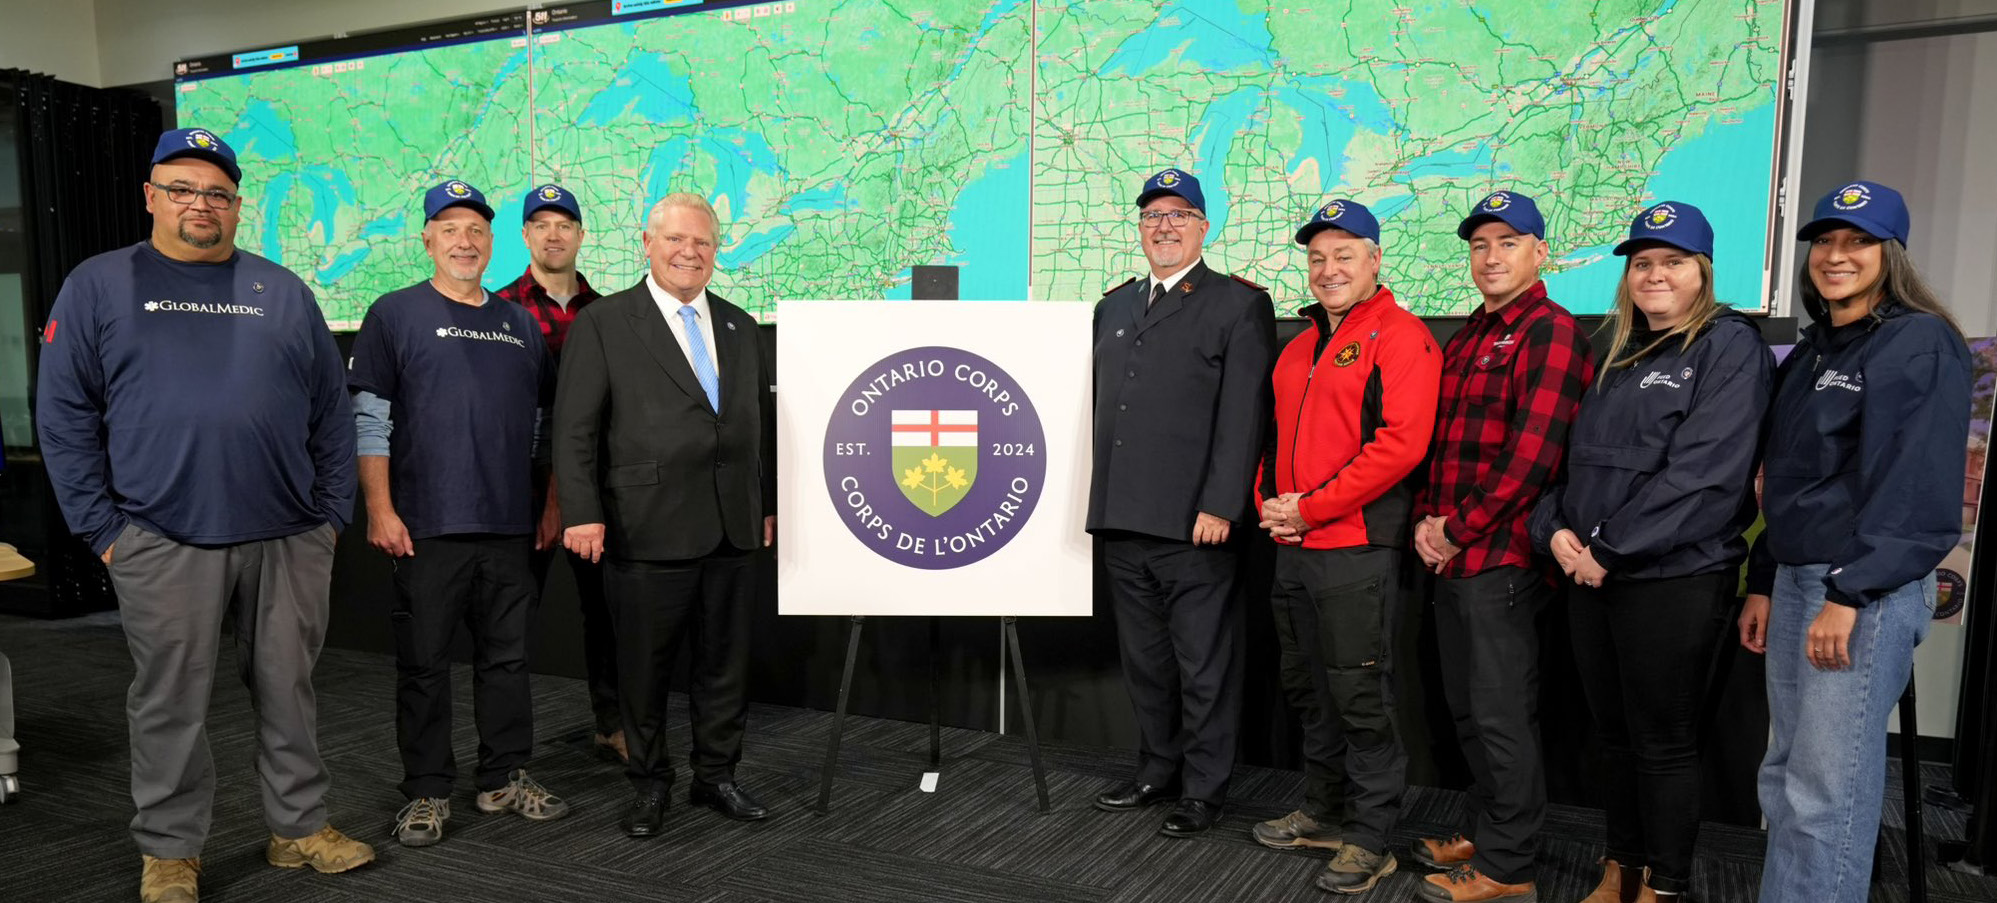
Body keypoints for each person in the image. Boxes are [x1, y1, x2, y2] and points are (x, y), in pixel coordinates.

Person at [37, 127, 373, 903]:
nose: (201, 204)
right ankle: (170, 851)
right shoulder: (98, 285)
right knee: (170, 701)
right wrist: (105, 532)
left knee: (290, 688)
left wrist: (329, 516)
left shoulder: (281, 290)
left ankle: (298, 826)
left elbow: (331, 411)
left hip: (289, 534)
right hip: (161, 536)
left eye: (217, 193)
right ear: (150, 197)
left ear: (237, 207)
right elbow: (63, 415)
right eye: (182, 189)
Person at [1529, 201, 1773, 902]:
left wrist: (1607, 548)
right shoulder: (1616, 349)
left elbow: (1705, 475)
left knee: (1662, 742)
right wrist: (1554, 530)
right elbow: (1572, 465)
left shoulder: (1730, 347)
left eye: (1672, 261)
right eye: (1642, 263)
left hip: (1673, 580)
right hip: (1590, 577)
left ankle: (1664, 887)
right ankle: (1621, 867)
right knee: (1612, 737)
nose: (1654, 275)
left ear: (1703, 271)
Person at [1739, 181, 1970, 903]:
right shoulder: (1813, 351)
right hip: (1796, 578)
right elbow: (1787, 478)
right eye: (1826, 241)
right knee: (1783, 775)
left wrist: (1848, 593)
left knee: (1823, 792)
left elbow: (1914, 484)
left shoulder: (1917, 341)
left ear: (1890, 253)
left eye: (1859, 241)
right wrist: (1763, 576)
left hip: (1857, 589)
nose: (1836, 255)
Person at [347, 179, 569, 848]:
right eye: (449, 229)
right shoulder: (394, 313)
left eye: (475, 230)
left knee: (508, 661)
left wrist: (550, 504)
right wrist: (379, 507)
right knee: (424, 665)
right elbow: (370, 419)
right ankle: (427, 790)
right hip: (426, 526)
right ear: (427, 239)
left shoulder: (519, 324)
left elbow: (544, 425)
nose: (464, 241)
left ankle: (503, 775)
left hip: (509, 526)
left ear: (492, 242)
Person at [553, 192, 777, 838]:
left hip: (733, 525)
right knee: (644, 671)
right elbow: (574, 429)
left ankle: (717, 775)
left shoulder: (739, 324)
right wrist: (582, 511)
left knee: (724, 665)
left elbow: (757, 426)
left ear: (716, 251)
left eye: (702, 242)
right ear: (647, 244)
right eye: (676, 239)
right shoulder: (603, 322)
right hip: (643, 524)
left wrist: (763, 505)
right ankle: (650, 783)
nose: (689, 252)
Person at [1413, 190, 1594, 903]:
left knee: (1500, 717)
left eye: (1508, 243)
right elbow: (1440, 447)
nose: (1490, 256)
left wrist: (1453, 529)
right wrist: (1428, 523)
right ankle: (1485, 833)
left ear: (1539, 252)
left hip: (1503, 560)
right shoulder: (1468, 334)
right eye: (1480, 245)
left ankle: (1508, 869)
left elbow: (1532, 459)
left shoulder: (1550, 332)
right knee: (1466, 711)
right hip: (1453, 556)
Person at [1255, 199, 1440, 893]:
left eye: (1343, 255)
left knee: (1360, 695)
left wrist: (1310, 509)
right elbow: (1272, 440)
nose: (1328, 269)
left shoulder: (1402, 336)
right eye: (1317, 257)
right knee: (1309, 689)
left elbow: (1400, 445)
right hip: (1292, 546)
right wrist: (1269, 506)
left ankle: (1370, 836)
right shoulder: (1298, 345)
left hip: (1355, 549)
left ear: (1374, 260)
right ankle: (1324, 810)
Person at [1087, 168, 1276, 837]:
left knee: (1203, 667)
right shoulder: (1113, 307)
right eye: (1151, 216)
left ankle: (1203, 788)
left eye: (1178, 215)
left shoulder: (1237, 304)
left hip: (1196, 524)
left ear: (1203, 227)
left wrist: (1222, 505)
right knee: (1146, 663)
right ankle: (1156, 769)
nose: (1163, 227)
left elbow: (1243, 415)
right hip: (1121, 518)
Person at [493, 183, 622, 764]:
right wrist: (550, 490)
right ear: (525, 235)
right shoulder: (499, 310)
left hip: (598, 488)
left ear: (580, 235)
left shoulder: (610, 314)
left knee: (609, 614)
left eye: (564, 224)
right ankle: (507, 754)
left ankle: (612, 725)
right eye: (541, 225)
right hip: (524, 490)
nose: (553, 235)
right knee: (514, 621)